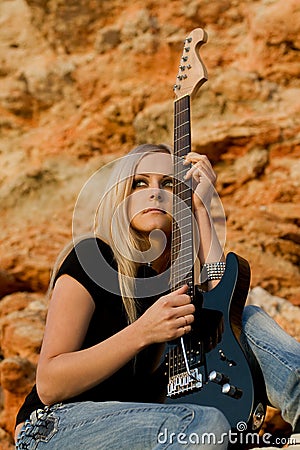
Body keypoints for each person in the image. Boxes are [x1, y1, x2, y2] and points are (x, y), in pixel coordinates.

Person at [14, 144, 299, 449]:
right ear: (122, 199)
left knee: (248, 320)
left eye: (167, 184)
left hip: (151, 428)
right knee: (205, 425)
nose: (155, 192)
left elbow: (225, 317)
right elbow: (49, 384)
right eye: (140, 183)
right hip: (55, 427)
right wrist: (143, 332)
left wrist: (201, 208)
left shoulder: (175, 290)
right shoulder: (94, 258)